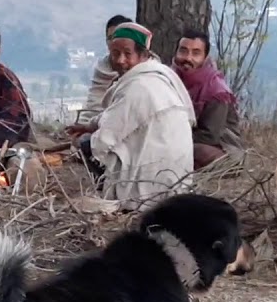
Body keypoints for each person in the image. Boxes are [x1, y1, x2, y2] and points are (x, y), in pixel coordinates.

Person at [76, 23, 195, 211]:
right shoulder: (163, 76)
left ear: (142, 55)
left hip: (152, 183)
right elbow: (116, 116)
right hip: (178, 180)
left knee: (86, 144)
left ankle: (119, 199)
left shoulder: (139, 86)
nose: (121, 60)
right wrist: (89, 124)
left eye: (127, 53)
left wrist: (87, 139)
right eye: (115, 54)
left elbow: (106, 137)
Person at [172, 29, 244, 170]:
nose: (188, 58)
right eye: (183, 51)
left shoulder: (216, 91)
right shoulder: (169, 77)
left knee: (194, 151)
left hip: (220, 149)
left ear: (205, 58)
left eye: (196, 53)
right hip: (180, 138)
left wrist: (171, 136)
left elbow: (210, 136)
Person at [75, 14, 133, 126]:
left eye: (119, 38)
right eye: (111, 38)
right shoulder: (103, 68)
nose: (114, 43)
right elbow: (94, 105)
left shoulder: (143, 68)